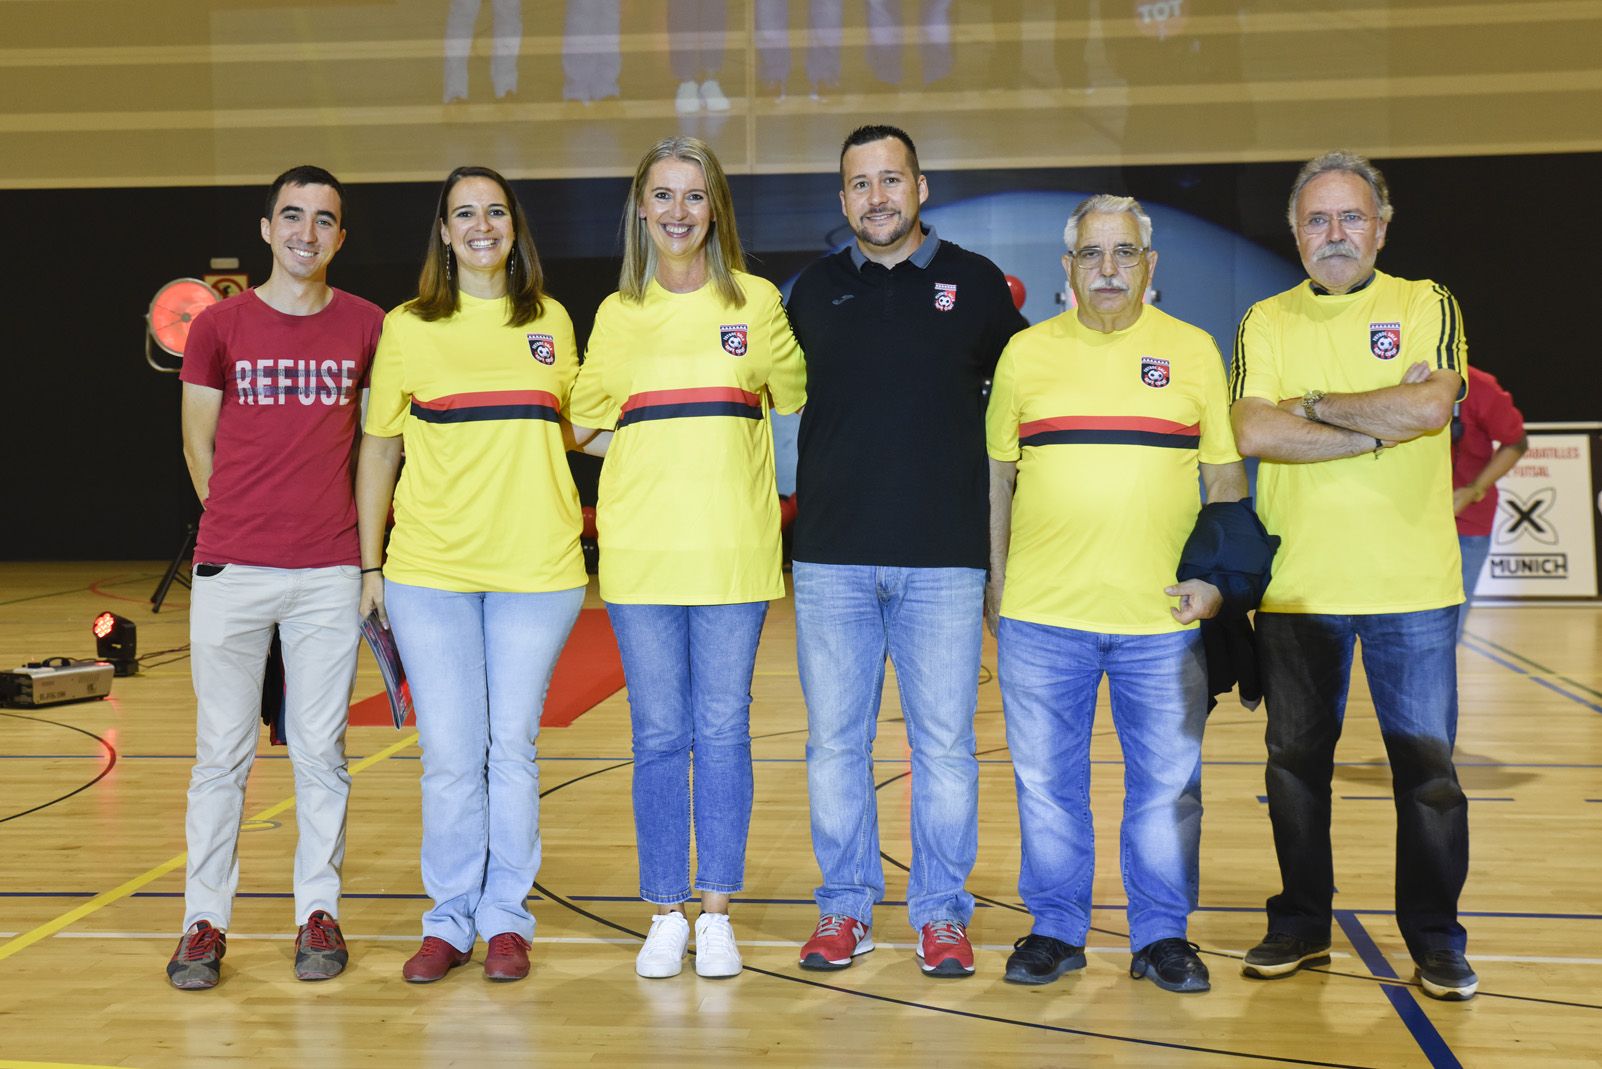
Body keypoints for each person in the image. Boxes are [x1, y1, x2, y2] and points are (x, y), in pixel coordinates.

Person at [986, 195, 1247, 993]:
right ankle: (1057, 927)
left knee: (1167, 787)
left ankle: (1162, 934)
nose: (1107, 268)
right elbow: (997, 476)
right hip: (1040, 616)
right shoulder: (1025, 355)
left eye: (1123, 252)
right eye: (1092, 253)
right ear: (1065, 269)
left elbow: (1225, 477)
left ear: (1149, 266)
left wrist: (1216, 580)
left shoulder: (1194, 351)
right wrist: (996, 587)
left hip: (1160, 619)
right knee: (1045, 783)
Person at [1230, 151, 1476, 1000]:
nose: (1334, 234)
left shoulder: (1424, 301)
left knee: (1430, 776)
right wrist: (1377, 418)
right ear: (1296, 231)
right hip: (1299, 587)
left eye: (1351, 217)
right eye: (1317, 219)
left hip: (1413, 587)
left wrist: (1314, 403)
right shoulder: (1265, 318)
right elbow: (1253, 432)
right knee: (1294, 770)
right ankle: (1301, 923)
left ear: (1382, 223)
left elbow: (1432, 406)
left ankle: (1437, 937)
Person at [785, 124, 1026, 977]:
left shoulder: (978, 285)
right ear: (842, 197)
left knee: (946, 749)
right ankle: (844, 908)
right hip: (830, 562)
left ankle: (941, 914)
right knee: (834, 747)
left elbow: (1026, 403)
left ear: (921, 188)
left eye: (892, 179)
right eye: (860, 183)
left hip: (944, 562)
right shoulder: (810, 292)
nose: (877, 196)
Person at [569, 136, 805, 980]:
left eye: (694, 197)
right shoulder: (615, 315)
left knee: (723, 729)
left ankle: (716, 911)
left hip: (734, 557)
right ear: (641, 208)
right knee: (659, 733)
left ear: (717, 210)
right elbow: (582, 424)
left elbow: (797, 398)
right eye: (662, 196)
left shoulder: (759, 304)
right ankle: (664, 909)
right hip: (639, 557)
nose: (677, 212)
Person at [354, 166, 586, 984]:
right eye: (465, 214)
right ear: (445, 234)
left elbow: (577, 427)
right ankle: (449, 919)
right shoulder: (408, 325)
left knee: (511, 746)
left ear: (515, 228)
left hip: (538, 568)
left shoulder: (551, 320)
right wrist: (369, 561)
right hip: (430, 571)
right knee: (451, 754)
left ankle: (506, 920)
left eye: (496, 211)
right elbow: (380, 446)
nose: (482, 225)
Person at [169, 165, 383, 990]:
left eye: (323, 220)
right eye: (291, 217)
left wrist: (364, 561)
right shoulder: (218, 326)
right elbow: (198, 446)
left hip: (328, 571)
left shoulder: (367, 325)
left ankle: (317, 912)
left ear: (340, 235)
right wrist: (238, 526)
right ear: (267, 230)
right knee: (220, 754)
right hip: (232, 568)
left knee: (321, 753)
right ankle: (203, 921)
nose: (306, 232)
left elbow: (374, 447)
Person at [1451, 366, 1527, 641]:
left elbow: (1516, 443)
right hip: (1403, 522)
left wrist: (1474, 489)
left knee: (1449, 629)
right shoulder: (1394, 379)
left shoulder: (1480, 387)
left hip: (1467, 524)